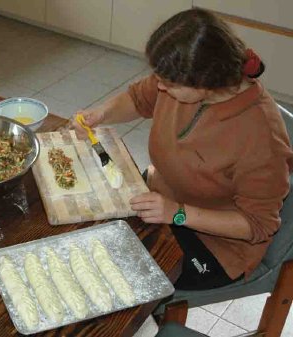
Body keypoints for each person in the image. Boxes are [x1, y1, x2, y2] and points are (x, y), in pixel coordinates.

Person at [72, 8, 293, 290]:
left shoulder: (262, 138)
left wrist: (177, 213)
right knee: (84, 235)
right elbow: (140, 98)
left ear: (206, 83)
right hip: (161, 200)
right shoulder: (181, 78)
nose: (159, 86)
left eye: (168, 83)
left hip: (216, 245)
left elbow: (258, 225)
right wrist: (99, 115)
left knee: (114, 280)